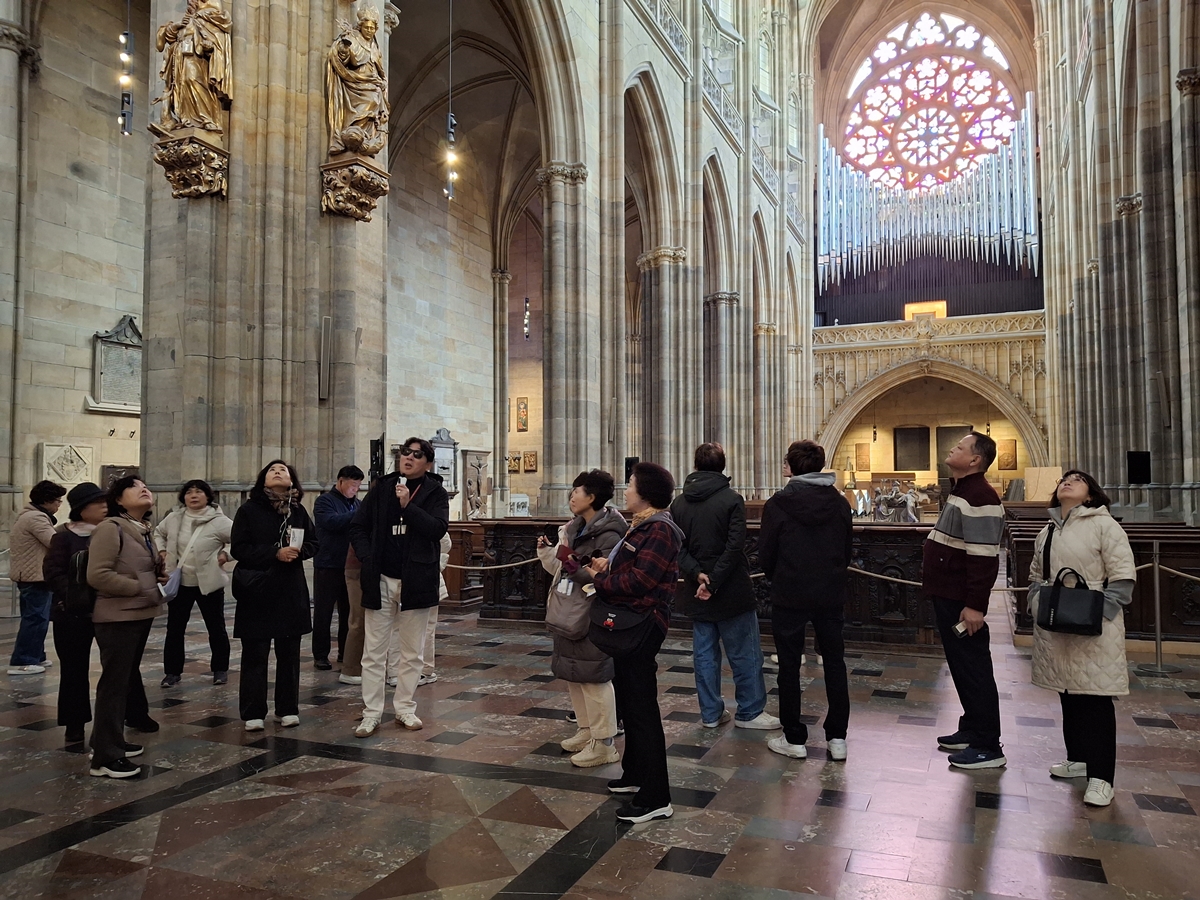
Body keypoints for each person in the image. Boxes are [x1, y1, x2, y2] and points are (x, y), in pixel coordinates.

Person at [1028, 470, 1136, 808]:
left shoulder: (1105, 525)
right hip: (1056, 623)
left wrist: (1100, 612)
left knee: (1095, 699)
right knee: (1068, 691)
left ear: (1090, 495)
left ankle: (1102, 778)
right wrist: (1035, 603)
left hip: (1093, 626)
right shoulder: (1047, 529)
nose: (1068, 481)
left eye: (1077, 479)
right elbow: (1036, 574)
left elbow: (1122, 576)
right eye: (1064, 479)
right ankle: (1078, 758)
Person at [586, 462, 682, 824]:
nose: (625, 490)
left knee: (642, 709)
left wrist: (600, 581)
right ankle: (636, 773)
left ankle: (656, 797)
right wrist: (607, 566)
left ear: (646, 492)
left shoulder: (660, 529)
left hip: (644, 623)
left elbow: (642, 580)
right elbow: (631, 568)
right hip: (632, 621)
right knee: (629, 700)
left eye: (630, 484)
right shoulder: (642, 525)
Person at [670, 443, 778, 731]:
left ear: (695, 465)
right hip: (731, 588)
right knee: (744, 652)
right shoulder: (731, 499)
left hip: (697, 589)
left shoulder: (679, 503)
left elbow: (678, 548)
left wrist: (699, 576)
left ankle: (710, 713)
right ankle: (750, 711)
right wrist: (714, 580)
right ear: (723, 466)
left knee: (704, 655)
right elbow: (734, 546)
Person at [758, 440, 853, 760]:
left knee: (789, 665)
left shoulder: (778, 504)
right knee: (835, 662)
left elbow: (766, 553)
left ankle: (794, 738)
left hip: (790, 592)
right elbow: (846, 549)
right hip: (830, 592)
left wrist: (780, 575)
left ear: (792, 466)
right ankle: (837, 738)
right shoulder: (839, 503)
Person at [348, 437, 449, 737]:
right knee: (374, 652)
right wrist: (367, 557)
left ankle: (405, 707)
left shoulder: (435, 491)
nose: (409, 457)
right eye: (406, 452)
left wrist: (409, 506)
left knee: (412, 652)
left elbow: (437, 529)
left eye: (417, 455)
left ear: (427, 463)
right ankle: (371, 713)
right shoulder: (382, 488)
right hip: (380, 577)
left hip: (416, 579)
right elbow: (358, 526)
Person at [922, 432, 1007, 769]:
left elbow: (984, 557)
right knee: (961, 666)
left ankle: (987, 745)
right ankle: (972, 727)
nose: (952, 448)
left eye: (960, 447)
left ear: (974, 459)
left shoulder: (980, 495)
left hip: (961, 600)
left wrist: (975, 606)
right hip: (949, 594)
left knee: (974, 668)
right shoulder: (963, 490)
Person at [537, 470, 628, 767]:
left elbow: (603, 575)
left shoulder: (610, 532)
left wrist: (574, 566)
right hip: (570, 609)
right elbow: (562, 570)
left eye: (577, 491)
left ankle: (604, 743)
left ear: (592, 497)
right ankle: (586, 730)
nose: (572, 496)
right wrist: (549, 552)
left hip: (593, 610)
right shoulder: (574, 528)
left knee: (594, 676)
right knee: (575, 674)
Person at [86, 477, 167, 778]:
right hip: (117, 616)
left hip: (138, 613)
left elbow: (137, 568)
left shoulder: (142, 528)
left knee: (124, 683)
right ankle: (105, 759)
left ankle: (106, 741)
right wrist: (138, 587)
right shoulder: (111, 528)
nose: (144, 488)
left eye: (146, 485)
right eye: (134, 486)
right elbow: (98, 574)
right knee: (114, 686)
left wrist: (157, 578)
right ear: (118, 500)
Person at [230, 461, 318, 732]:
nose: (278, 472)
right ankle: (253, 712)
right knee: (255, 654)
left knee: (289, 655)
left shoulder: (298, 510)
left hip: (289, 590)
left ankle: (287, 709)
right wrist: (274, 553)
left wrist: (298, 552)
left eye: (283, 470)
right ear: (263, 480)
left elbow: (314, 542)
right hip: (258, 590)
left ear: (292, 480)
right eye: (272, 470)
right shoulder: (248, 510)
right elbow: (239, 548)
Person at [43, 482, 109, 744]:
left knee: (119, 668)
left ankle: (130, 715)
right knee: (73, 670)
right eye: (98, 503)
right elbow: (53, 572)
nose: (104, 507)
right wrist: (76, 595)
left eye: (105, 502)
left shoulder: (111, 533)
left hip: (108, 609)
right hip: (71, 614)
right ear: (82, 509)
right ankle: (74, 724)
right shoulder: (64, 536)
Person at [154, 480, 233, 687]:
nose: (194, 496)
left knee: (216, 627)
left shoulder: (219, 521)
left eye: (198, 492)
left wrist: (226, 554)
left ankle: (220, 669)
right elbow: (158, 533)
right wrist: (161, 550)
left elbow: (240, 539)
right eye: (189, 492)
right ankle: (172, 672)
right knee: (175, 628)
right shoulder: (174, 518)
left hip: (209, 582)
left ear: (208, 496)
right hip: (180, 582)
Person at [8, 479, 66, 675]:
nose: (59, 505)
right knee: (36, 618)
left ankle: (37, 655)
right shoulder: (36, 518)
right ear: (47, 500)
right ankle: (24, 661)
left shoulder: (29, 515)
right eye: (58, 500)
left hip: (29, 574)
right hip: (35, 576)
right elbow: (53, 542)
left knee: (35, 617)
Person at [312, 465, 364, 671]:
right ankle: (321, 655)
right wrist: (359, 515)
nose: (356, 490)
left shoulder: (357, 504)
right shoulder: (325, 501)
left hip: (350, 566)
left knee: (348, 612)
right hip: (328, 563)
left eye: (359, 486)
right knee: (324, 612)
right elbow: (331, 522)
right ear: (341, 481)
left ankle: (345, 651)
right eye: (353, 485)